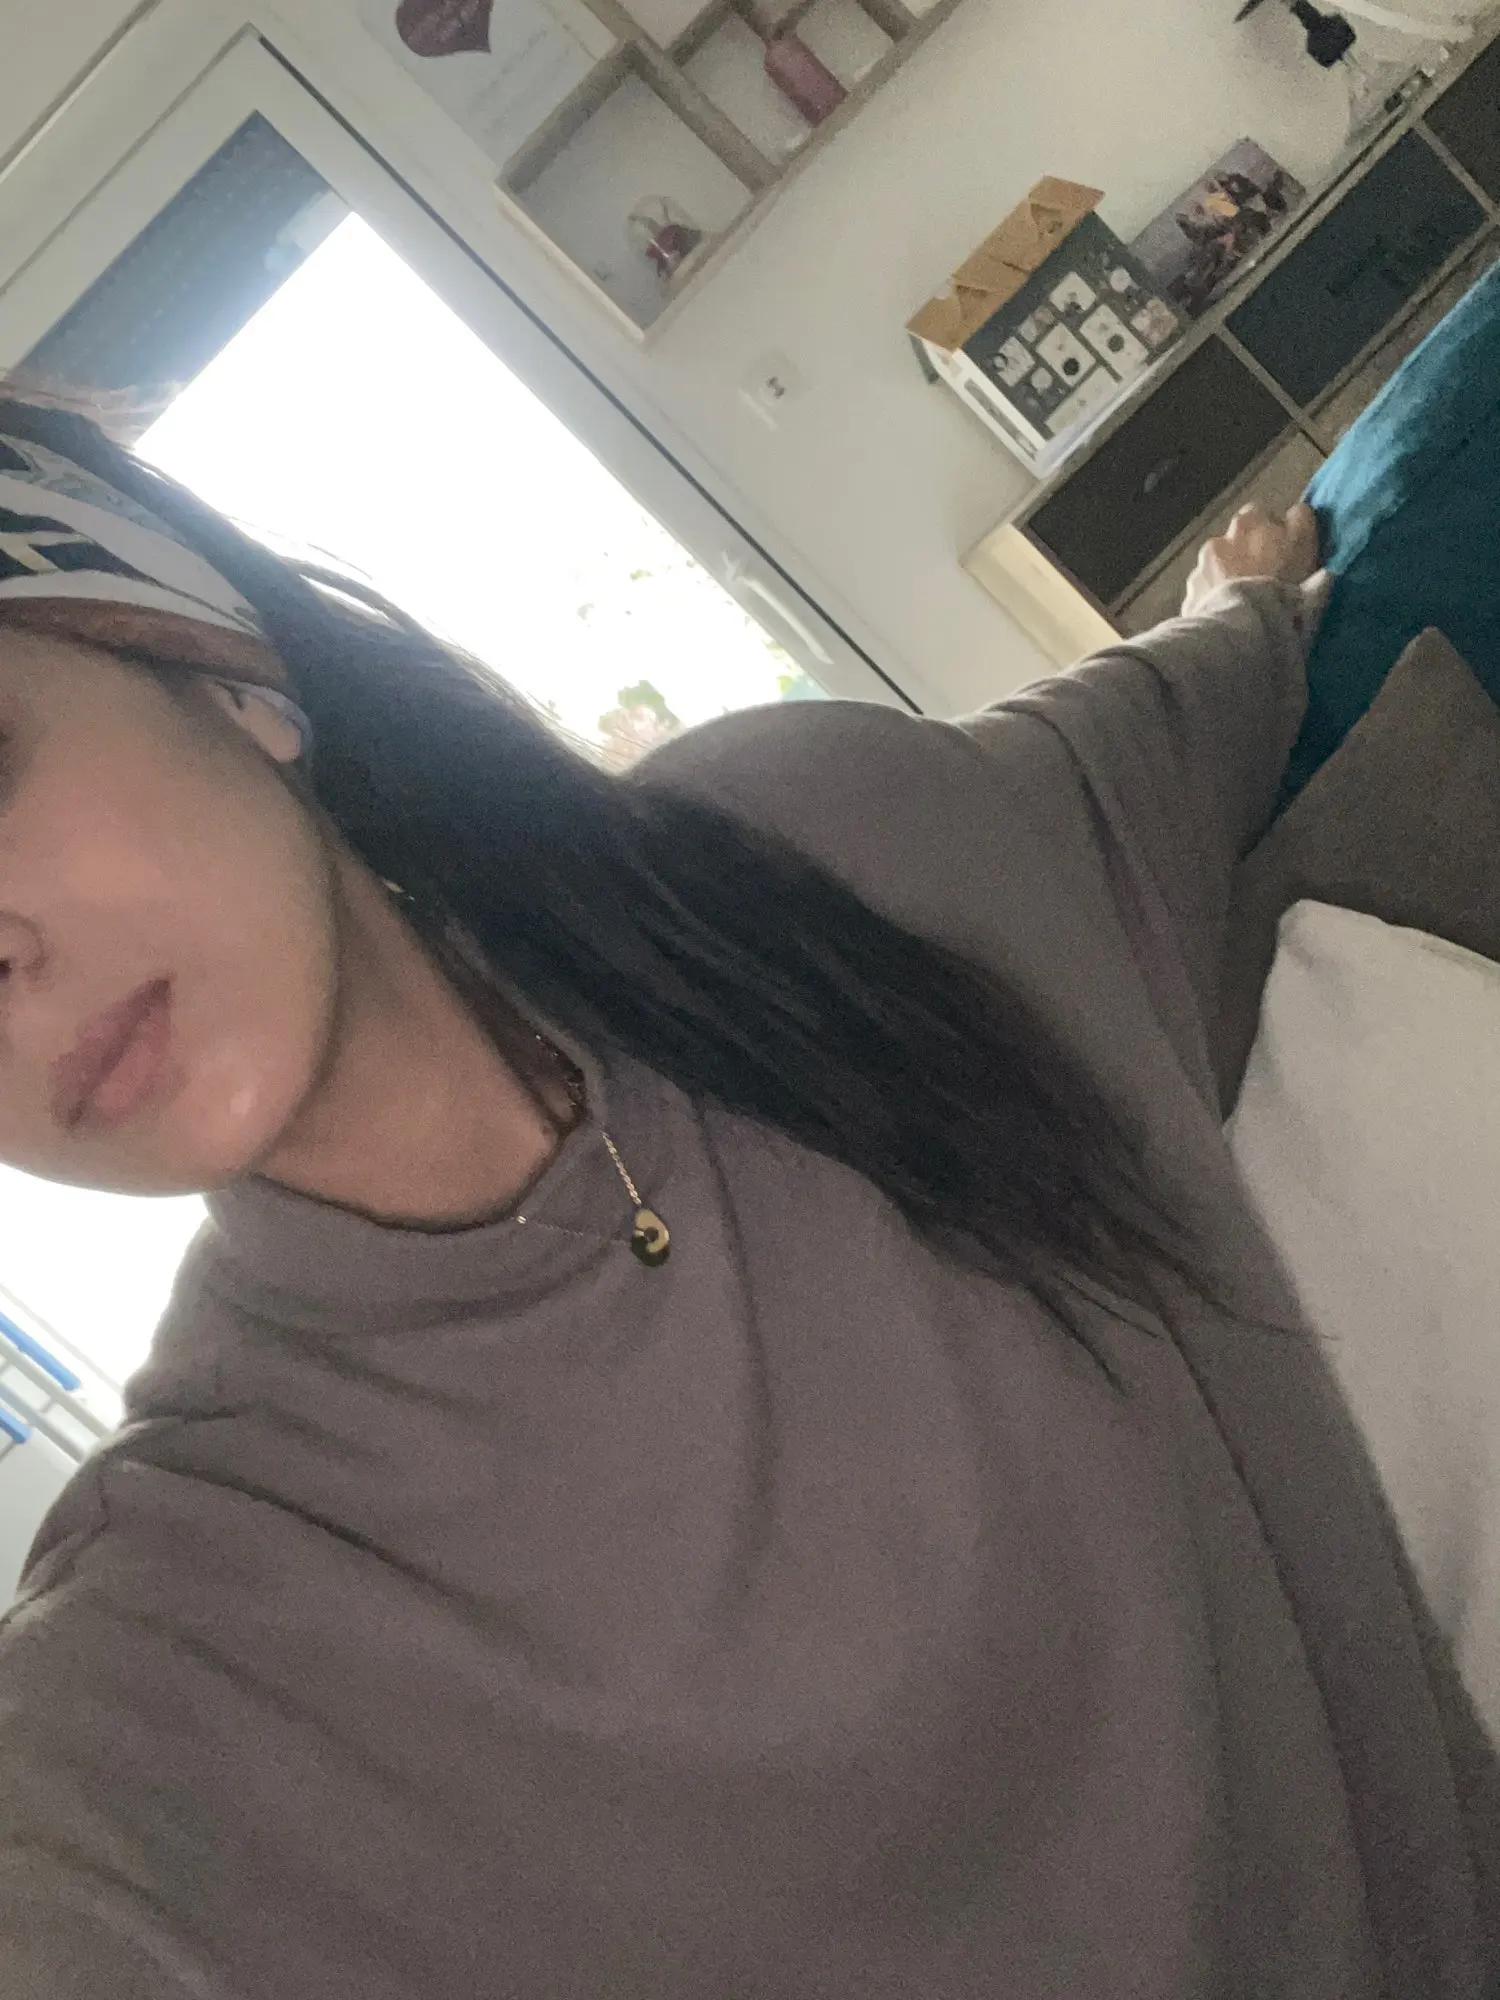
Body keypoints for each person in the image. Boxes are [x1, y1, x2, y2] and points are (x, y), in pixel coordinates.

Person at [0, 392, 1494, 2000]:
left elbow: (1192, 695)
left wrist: (1242, 603)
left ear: (213, 661)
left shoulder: (815, 854)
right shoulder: (182, 1634)